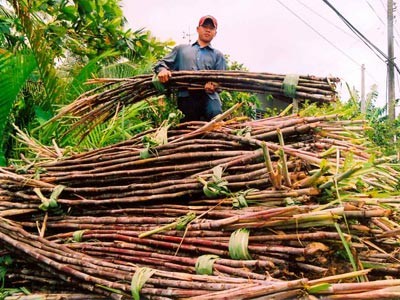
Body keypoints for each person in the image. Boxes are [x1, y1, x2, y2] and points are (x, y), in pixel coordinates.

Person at [153, 15, 227, 122]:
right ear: (197, 29)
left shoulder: (218, 55)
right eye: (205, 26)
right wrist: (163, 70)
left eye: (211, 28)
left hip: (210, 99)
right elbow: (161, 63)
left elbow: (222, 81)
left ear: (215, 33)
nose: (208, 30)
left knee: (216, 125)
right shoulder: (181, 50)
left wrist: (214, 84)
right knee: (188, 129)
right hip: (186, 98)